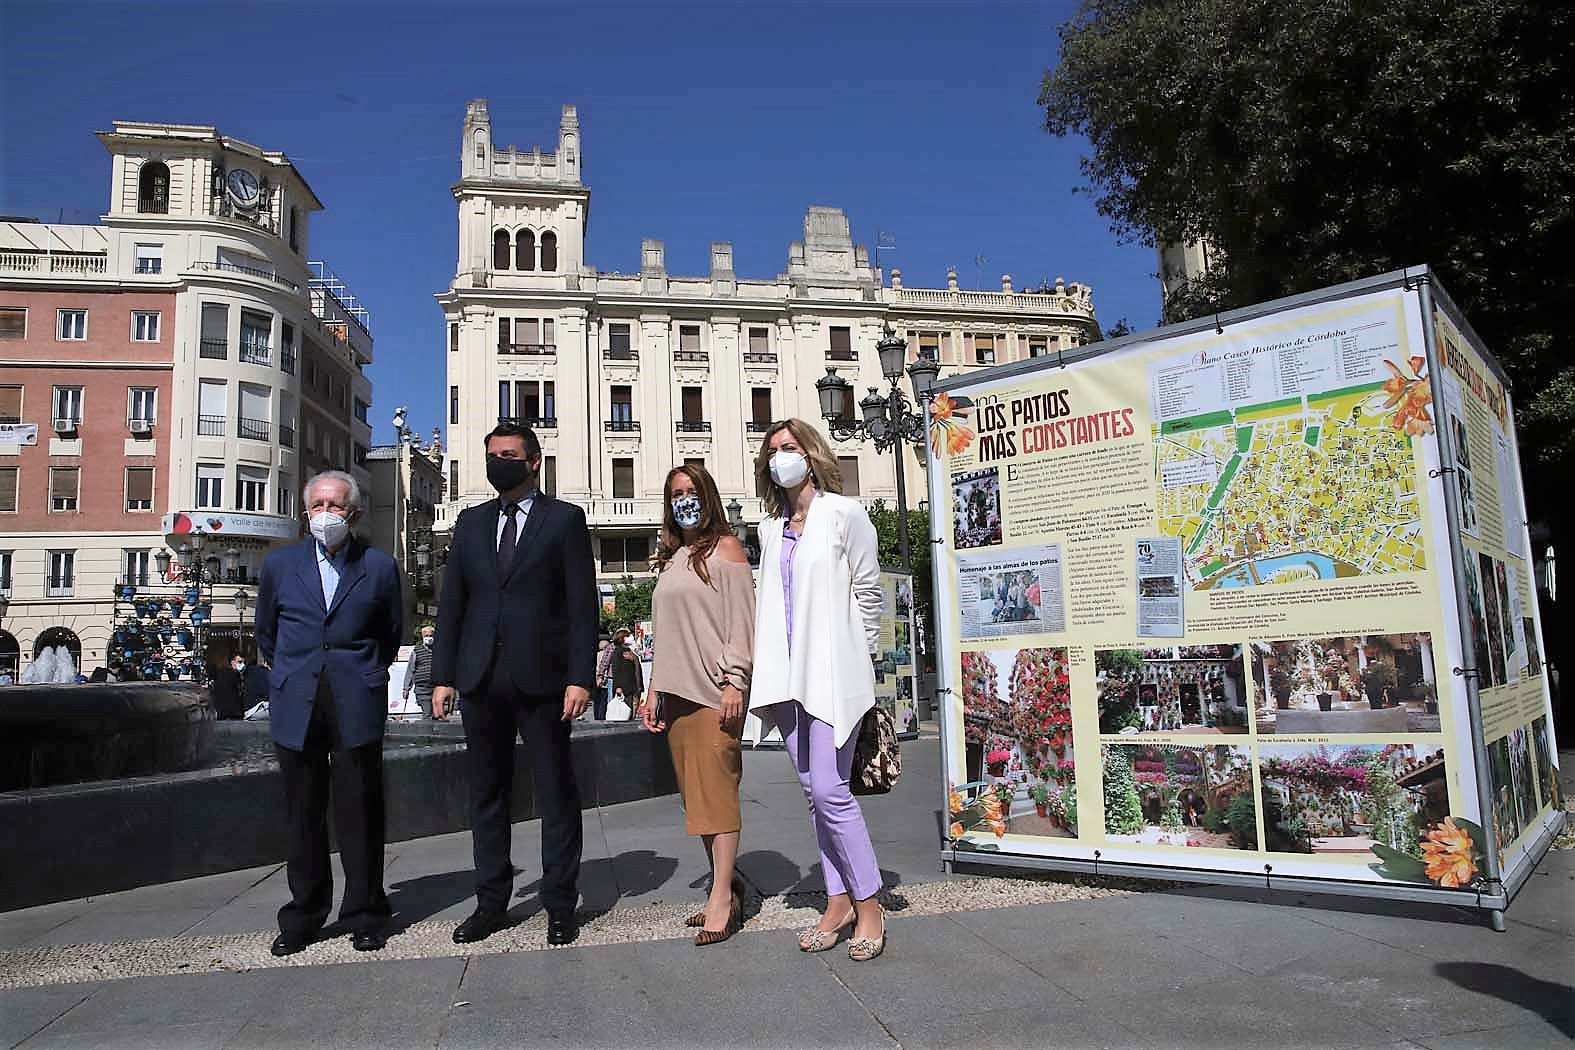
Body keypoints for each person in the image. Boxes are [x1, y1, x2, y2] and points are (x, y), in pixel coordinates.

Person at [431, 422, 598, 947]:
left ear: (532, 462)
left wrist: (580, 677)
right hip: (480, 678)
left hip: (544, 679)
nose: (497, 462)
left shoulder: (564, 520)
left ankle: (559, 903)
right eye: (491, 455)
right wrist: (443, 676)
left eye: (507, 454)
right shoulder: (471, 523)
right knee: (486, 794)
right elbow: (453, 603)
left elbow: (581, 607)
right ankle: (490, 901)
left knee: (555, 792)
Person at [748, 419, 887, 962]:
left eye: (790, 447)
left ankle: (869, 901)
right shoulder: (768, 528)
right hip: (786, 676)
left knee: (831, 790)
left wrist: (862, 658)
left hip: (832, 672)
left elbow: (869, 590)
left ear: (811, 453)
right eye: (774, 450)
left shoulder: (845, 514)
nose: (782, 456)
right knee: (813, 793)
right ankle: (837, 899)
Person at [255, 470, 403, 956]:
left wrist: (362, 674)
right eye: (317, 505)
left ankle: (365, 912)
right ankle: (303, 915)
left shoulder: (379, 567)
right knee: (302, 813)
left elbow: (388, 634)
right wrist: (295, 673)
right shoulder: (280, 566)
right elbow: (267, 635)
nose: (325, 515)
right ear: (304, 513)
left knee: (360, 810)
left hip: (355, 696)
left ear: (354, 513)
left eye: (335, 506)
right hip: (296, 698)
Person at [637, 463, 756, 946]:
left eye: (691, 491)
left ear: (707, 496)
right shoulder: (673, 558)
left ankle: (722, 899)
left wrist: (736, 682)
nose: (684, 499)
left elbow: (742, 623)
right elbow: (665, 634)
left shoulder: (726, 550)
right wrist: (652, 690)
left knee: (719, 794)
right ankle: (726, 886)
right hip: (677, 695)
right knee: (698, 799)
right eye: (676, 494)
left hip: (715, 693)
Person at [402, 624, 438, 719]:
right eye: (426, 636)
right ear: (422, 636)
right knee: (427, 714)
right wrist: (406, 688)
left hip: (437, 688)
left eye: (431, 635)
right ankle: (427, 733)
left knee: (438, 715)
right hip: (422, 690)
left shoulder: (439, 650)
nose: (429, 638)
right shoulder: (417, 651)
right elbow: (410, 670)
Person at [610, 627, 643, 721]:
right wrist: (618, 687)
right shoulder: (618, 652)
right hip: (624, 688)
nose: (630, 637)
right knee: (625, 713)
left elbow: (636, 668)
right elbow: (616, 671)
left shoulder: (629, 651)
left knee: (631, 712)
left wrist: (634, 659)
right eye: (627, 636)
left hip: (632, 686)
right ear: (622, 638)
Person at [210, 654, 245, 720]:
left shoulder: (221, 672)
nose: (242, 664)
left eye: (243, 662)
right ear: (232, 662)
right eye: (240, 662)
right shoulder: (234, 674)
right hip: (232, 712)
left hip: (220, 712)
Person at [594, 637, 615, 720]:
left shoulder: (596, 654)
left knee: (597, 699)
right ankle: (602, 716)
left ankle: (597, 716)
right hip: (604, 680)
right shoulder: (604, 654)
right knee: (604, 699)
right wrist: (603, 677)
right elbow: (605, 665)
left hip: (596, 679)